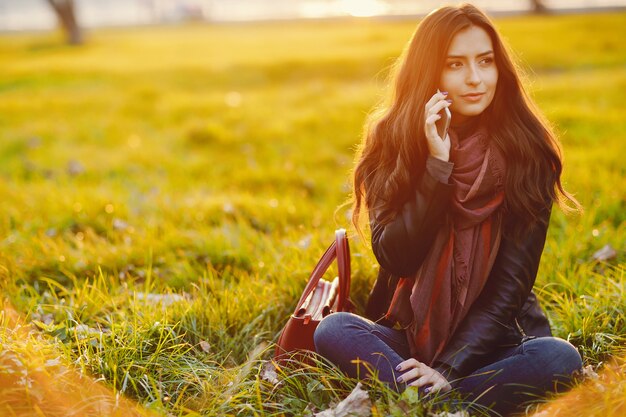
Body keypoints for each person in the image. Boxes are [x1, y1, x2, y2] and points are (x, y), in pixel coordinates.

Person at [313, 4, 583, 416]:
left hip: (490, 344)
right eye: (455, 64)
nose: (475, 78)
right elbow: (395, 255)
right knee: (334, 329)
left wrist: (448, 368)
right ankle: (449, 404)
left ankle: (428, 399)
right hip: (408, 334)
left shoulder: (528, 152)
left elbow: (509, 287)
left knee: (559, 359)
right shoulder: (393, 141)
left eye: (485, 61)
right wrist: (436, 170)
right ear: (429, 74)